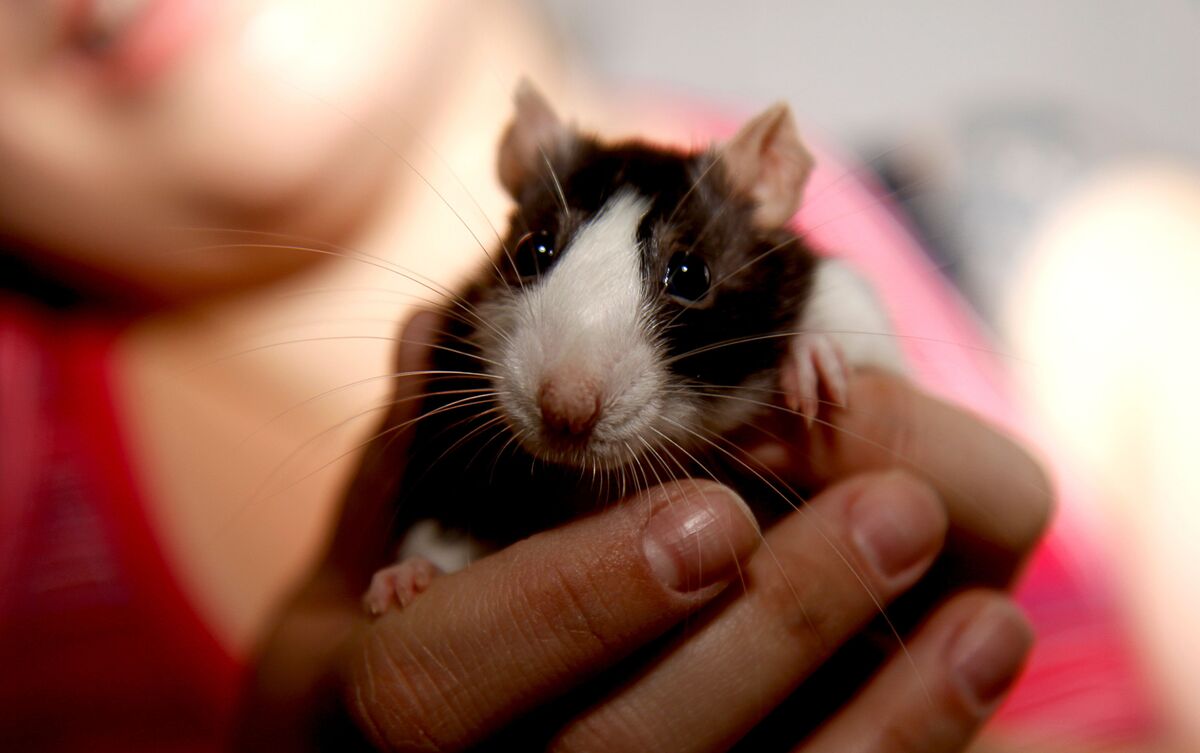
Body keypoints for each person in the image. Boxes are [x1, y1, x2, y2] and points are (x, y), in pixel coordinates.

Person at [0, 1, 1048, 750]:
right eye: (540, 259)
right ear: (522, 166)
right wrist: (426, 562)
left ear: (774, 181)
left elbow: (826, 296)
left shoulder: (1007, 235)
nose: (569, 397)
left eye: (683, 277)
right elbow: (447, 507)